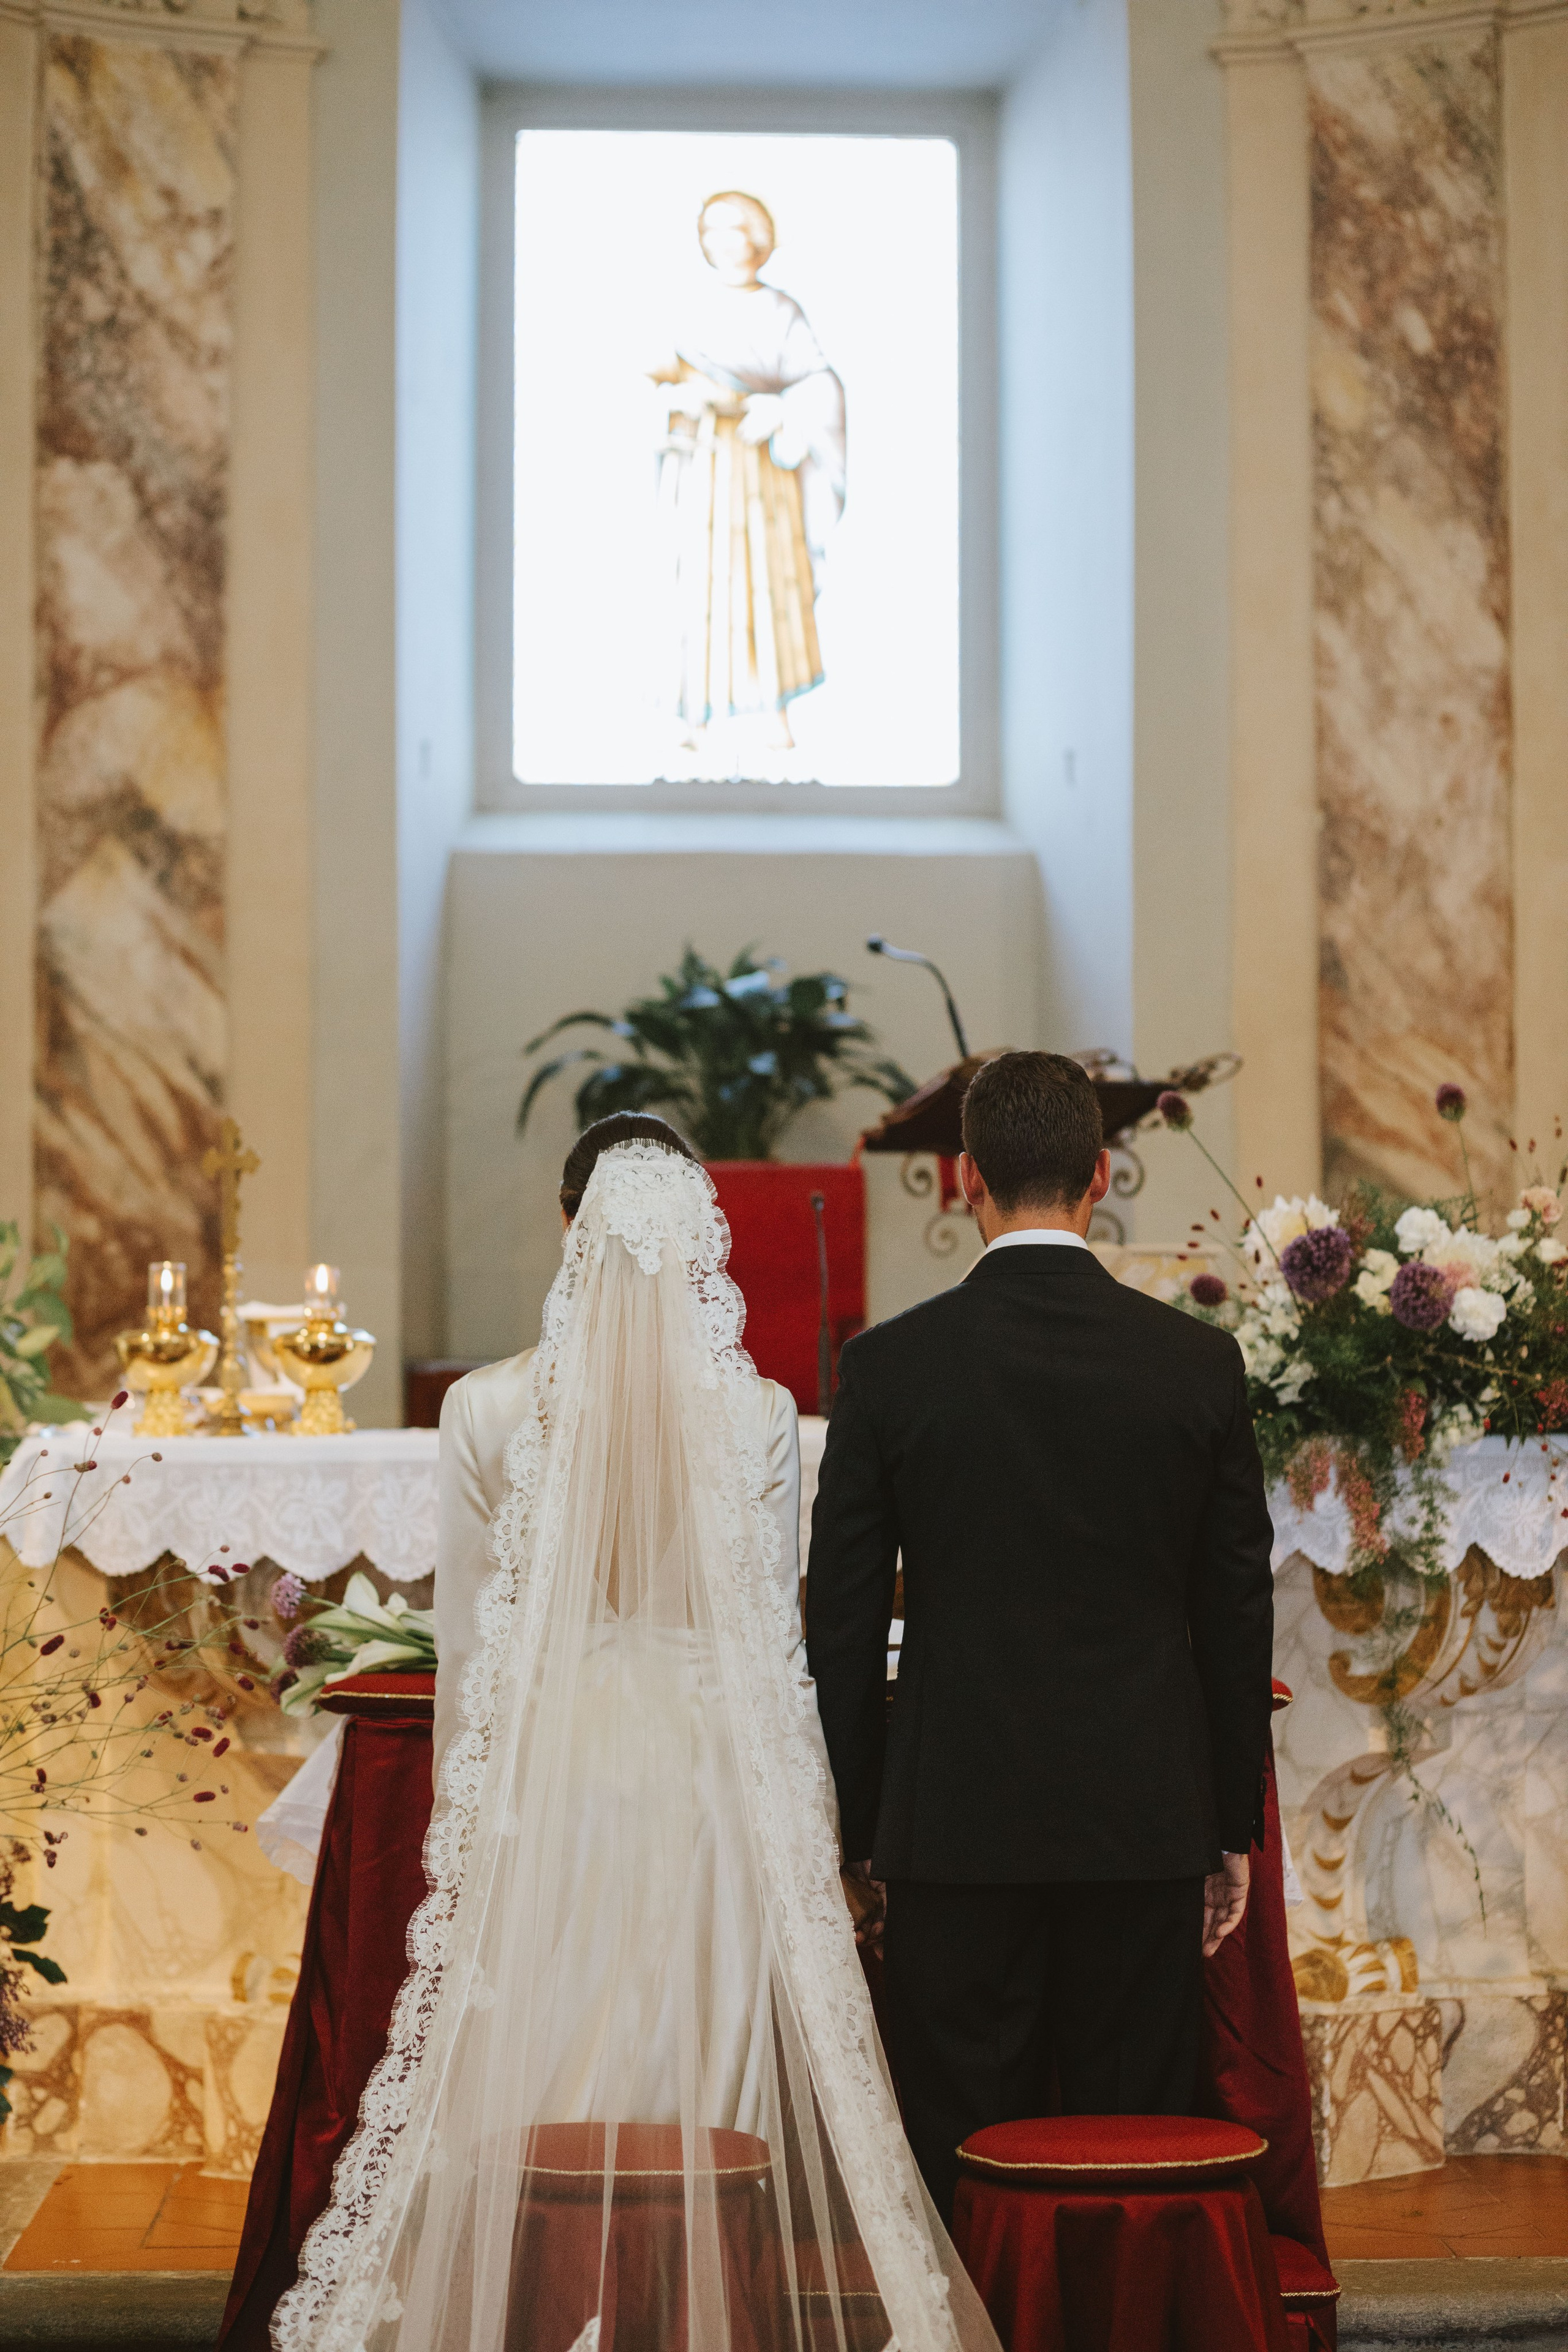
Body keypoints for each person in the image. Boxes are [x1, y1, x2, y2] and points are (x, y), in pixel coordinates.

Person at [271, 1113, 997, 2352]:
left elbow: (468, 1653)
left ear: (570, 1227)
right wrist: (811, 1829)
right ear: (695, 1238)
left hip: (556, 1777)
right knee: (694, 2061)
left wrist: (469, 1823)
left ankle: (558, 2307)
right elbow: (770, 1647)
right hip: (710, 1778)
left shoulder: (490, 1411)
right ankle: (681, 2305)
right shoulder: (760, 1414)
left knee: (550, 2062)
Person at [805, 1052, 1276, 2226]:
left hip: (953, 1825)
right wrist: (1227, 1826)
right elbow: (1233, 1611)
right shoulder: (1194, 1363)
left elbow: (845, 1626)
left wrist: (856, 1831)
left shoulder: (888, 1369)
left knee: (961, 2157)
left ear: (965, 1178)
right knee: (1135, 2151)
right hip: (1142, 1815)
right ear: (1100, 1176)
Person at [649, 190, 845, 772]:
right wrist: (675, 398)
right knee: (697, 585)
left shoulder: (781, 311)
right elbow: (649, 377)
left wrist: (784, 412)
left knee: (765, 582)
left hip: (760, 472)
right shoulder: (687, 308)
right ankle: (692, 716)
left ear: (759, 238)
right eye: (713, 231)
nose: (724, 242)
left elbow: (819, 383)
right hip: (700, 467)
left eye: (736, 230)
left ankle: (772, 713)